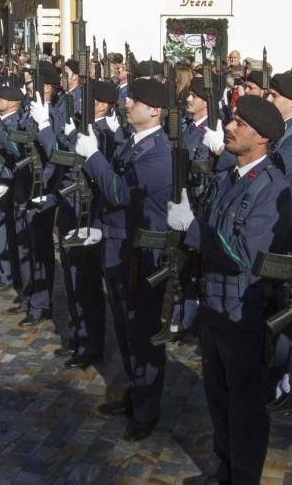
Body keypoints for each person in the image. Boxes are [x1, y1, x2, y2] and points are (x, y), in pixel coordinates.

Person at [166, 95, 292, 484]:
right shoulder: (225, 179)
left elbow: (243, 256)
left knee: (246, 410)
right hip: (213, 308)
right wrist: (188, 295)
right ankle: (226, 471)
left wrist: (192, 229)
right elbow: (204, 251)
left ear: (262, 138)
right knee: (219, 402)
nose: (230, 126)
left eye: (240, 123)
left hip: (245, 314)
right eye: (233, 119)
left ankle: (242, 477)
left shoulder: (274, 190)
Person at [73, 78, 172, 442]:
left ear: (156, 110)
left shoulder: (160, 153)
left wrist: (93, 156)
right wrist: (98, 227)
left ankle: (147, 411)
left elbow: (118, 191)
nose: (127, 104)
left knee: (143, 336)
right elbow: (103, 196)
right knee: (126, 334)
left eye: (136, 101)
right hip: (117, 248)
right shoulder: (133, 144)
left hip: (141, 257)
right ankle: (135, 394)